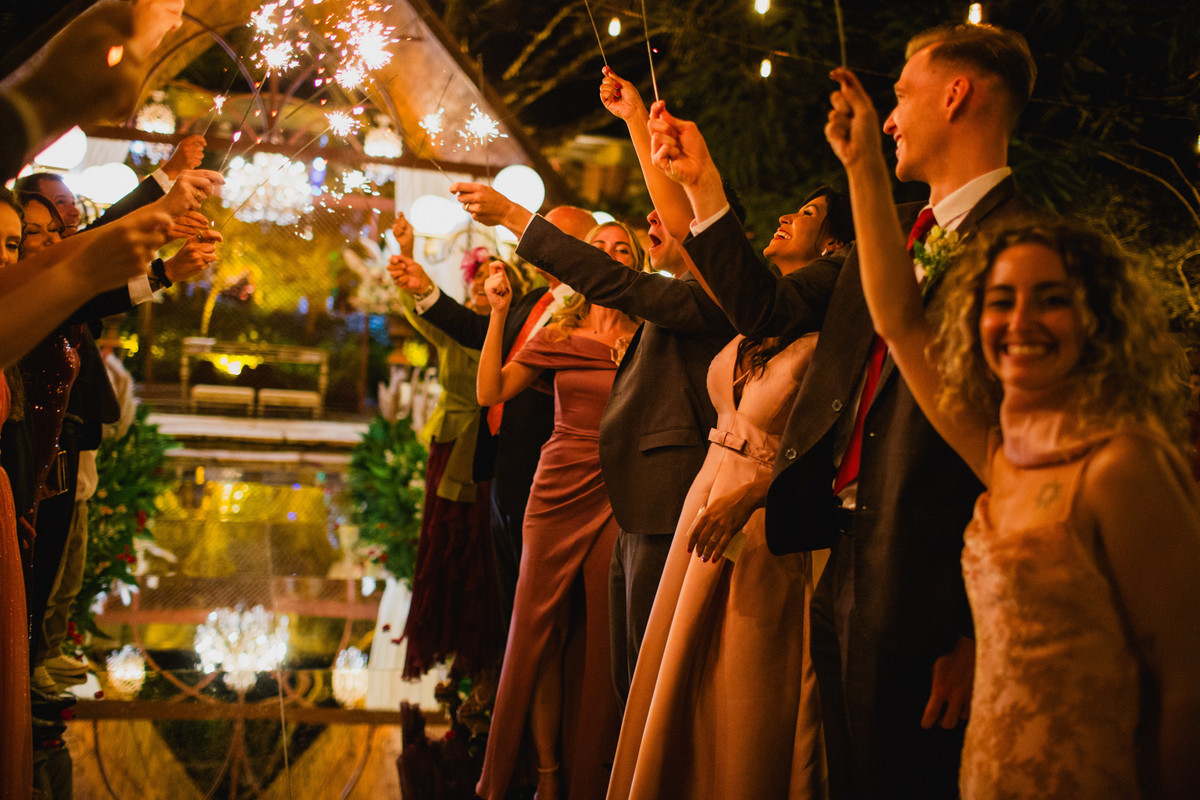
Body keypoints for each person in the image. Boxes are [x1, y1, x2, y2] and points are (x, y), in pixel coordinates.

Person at [648, 22, 1039, 798]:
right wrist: (703, 186)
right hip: (845, 553)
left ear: (956, 94)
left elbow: (1015, 445)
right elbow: (764, 306)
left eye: (900, 94)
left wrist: (972, 626)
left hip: (931, 581)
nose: (889, 117)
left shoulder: (1026, 245)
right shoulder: (887, 230)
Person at [829, 65, 1200, 797]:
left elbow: (1188, 677)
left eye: (1050, 300)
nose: (1019, 322)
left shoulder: (1121, 467)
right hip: (991, 768)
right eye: (1000, 301)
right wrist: (864, 163)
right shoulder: (1004, 458)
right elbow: (901, 322)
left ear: (1097, 320)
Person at [473, 222, 642, 800]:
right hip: (555, 487)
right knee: (537, 629)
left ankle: (592, 775)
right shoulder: (559, 331)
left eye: (623, 249)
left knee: (601, 632)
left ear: (634, 265)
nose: (611, 256)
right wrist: (498, 315)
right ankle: (536, 773)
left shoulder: (651, 334)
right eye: (599, 248)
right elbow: (490, 391)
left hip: (617, 490)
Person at [390, 207, 596, 633]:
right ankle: (509, 681)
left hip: (546, 460)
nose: (536, 240)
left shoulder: (589, 311)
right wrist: (424, 288)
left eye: (548, 231)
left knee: (536, 593)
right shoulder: (536, 301)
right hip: (502, 457)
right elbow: (475, 331)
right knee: (509, 590)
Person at [392, 244, 505, 686]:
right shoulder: (453, 328)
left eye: (492, 277)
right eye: (476, 278)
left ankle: (485, 645)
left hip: (494, 446)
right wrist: (405, 255)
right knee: (448, 538)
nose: (483, 284)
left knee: (484, 543)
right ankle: (449, 635)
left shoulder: (514, 332)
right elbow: (418, 309)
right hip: (454, 442)